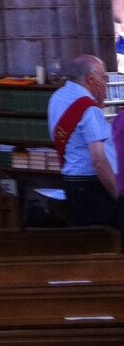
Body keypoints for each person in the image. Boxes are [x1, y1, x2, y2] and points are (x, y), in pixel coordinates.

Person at [47, 54, 122, 229]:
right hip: (93, 187)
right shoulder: (88, 109)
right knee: (109, 241)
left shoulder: (57, 97)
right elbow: (99, 161)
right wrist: (117, 196)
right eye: (103, 77)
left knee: (87, 241)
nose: (106, 82)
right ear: (90, 79)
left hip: (72, 184)